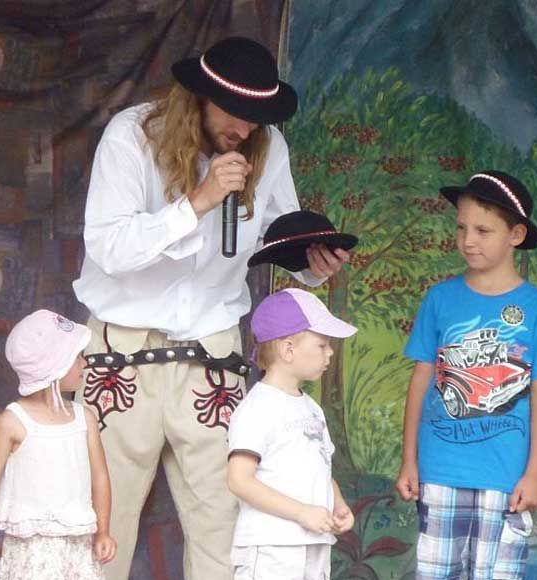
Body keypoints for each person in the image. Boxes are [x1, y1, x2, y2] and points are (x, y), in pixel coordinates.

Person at [73, 36, 349, 579]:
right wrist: (196, 202)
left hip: (213, 356)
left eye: (255, 117)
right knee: (102, 521)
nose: (244, 129)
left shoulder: (268, 148)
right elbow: (108, 248)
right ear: (200, 97)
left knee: (226, 527)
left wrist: (313, 262)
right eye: (234, 113)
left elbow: (277, 235)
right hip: (122, 351)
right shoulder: (132, 136)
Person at [394, 171, 537, 580]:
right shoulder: (440, 298)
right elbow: (420, 382)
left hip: (504, 478)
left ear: (516, 235)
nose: (468, 240)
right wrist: (409, 462)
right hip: (440, 471)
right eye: (461, 228)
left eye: (483, 230)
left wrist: (535, 473)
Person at [0, 309, 116, 580]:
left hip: (78, 547)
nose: (84, 363)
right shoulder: (12, 422)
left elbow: (100, 477)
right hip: (31, 552)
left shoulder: (84, 419)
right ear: (55, 366)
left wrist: (103, 530)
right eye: (76, 357)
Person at [226, 289, 357, 580]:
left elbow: (321, 468)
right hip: (271, 547)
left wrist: (337, 503)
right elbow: (239, 479)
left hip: (314, 542)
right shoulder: (257, 408)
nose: (330, 352)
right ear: (288, 350)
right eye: (322, 345)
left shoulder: (311, 409)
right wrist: (301, 512)